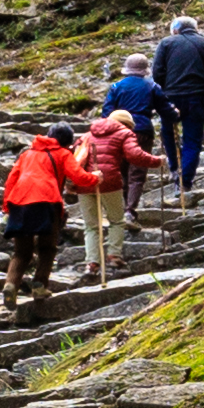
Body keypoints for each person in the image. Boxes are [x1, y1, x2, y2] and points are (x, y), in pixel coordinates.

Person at [71, 100, 149, 281]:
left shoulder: (87, 135)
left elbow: (74, 155)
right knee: (116, 221)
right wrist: (156, 161)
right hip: (109, 182)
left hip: (84, 182)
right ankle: (113, 256)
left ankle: (92, 264)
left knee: (91, 226)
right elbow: (135, 155)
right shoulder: (124, 134)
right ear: (128, 125)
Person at [0, 123, 76, 308]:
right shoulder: (63, 154)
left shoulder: (27, 154)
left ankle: (11, 284)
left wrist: (6, 207)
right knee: (47, 248)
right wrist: (95, 178)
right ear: (67, 142)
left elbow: (11, 180)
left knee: (21, 252)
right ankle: (39, 286)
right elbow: (77, 175)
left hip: (19, 202)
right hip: (47, 203)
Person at [151, 13, 204, 190]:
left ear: (175, 29)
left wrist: (164, 90)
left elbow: (157, 73)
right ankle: (185, 181)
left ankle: (174, 168)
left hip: (171, 98)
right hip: (196, 98)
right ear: (195, 28)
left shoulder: (166, 43)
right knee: (192, 140)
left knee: (168, 132)